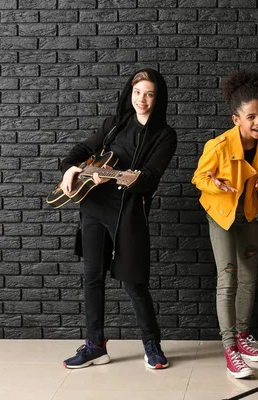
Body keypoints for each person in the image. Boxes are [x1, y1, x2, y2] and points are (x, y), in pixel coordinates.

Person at [60, 69, 177, 369]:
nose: (142, 99)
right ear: (130, 93)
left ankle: (151, 344)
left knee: (134, 281)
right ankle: (95, 345)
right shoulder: (115, 124)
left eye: (149, 93)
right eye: (138, 92)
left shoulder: (165, 135)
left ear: (157, 97)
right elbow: (85, 149)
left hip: (128, 211)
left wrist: (121, 179)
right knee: (92, 277)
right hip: (94, 206)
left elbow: (150, 176)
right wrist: (72, 168)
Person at [191, 70, 258, 379]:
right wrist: (216, 183)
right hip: (221, 216)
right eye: (251, 117)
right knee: (227, 279)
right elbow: (198, 178)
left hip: (249, 215)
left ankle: (243, 338)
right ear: (236, 119)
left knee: (249, 279)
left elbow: (256, 176)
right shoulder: (217, 146)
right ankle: (230, 348)